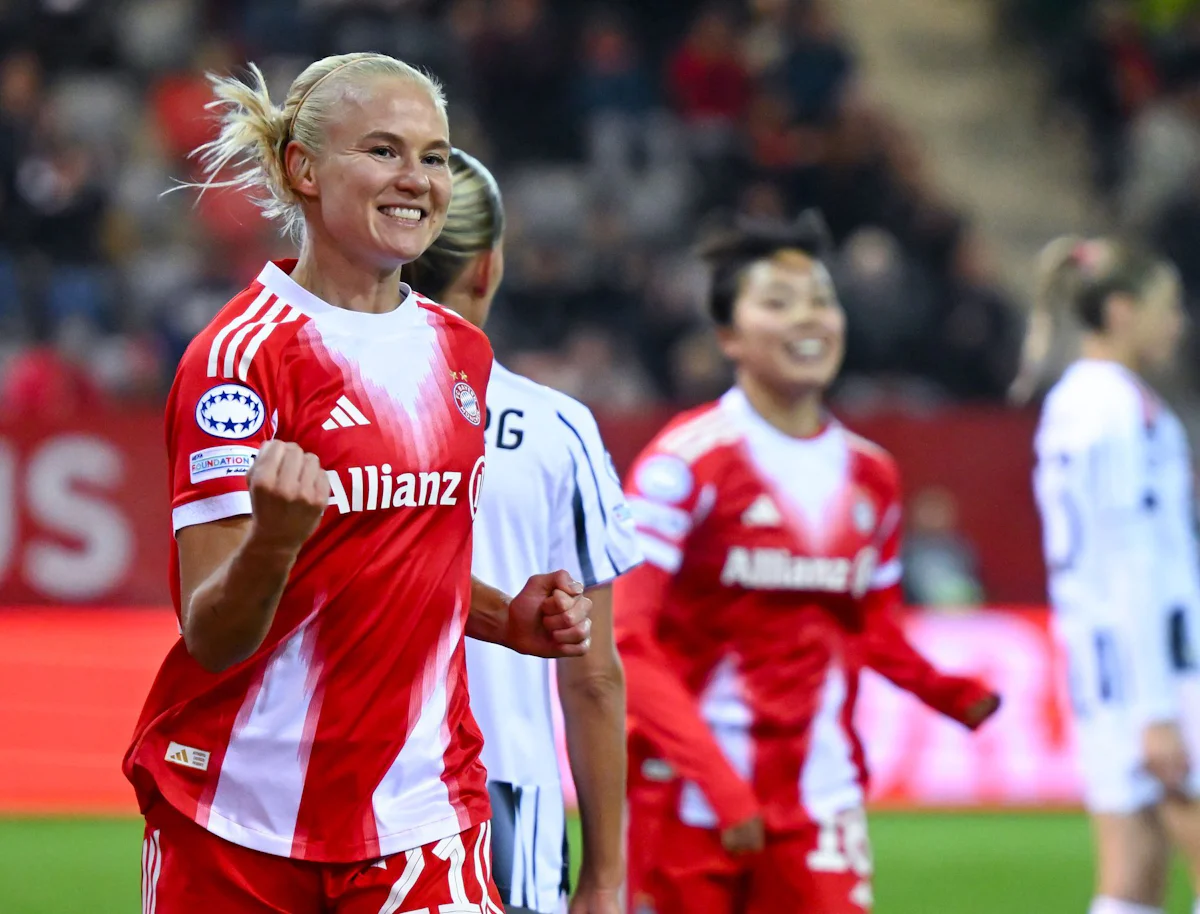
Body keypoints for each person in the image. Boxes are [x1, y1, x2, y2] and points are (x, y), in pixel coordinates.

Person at [123, 53, 594, 914]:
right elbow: (212, 636)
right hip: (237, 821)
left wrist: (506, 620)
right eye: (383, 150)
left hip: (421, 812)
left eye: (433, 156)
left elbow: (396, 557)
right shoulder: (238, 360)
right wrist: (273, 541)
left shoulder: (460, 351)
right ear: (304, 169)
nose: (416, 178)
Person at [614, 212, 1000, 914]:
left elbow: (869, 626)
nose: (808, 318)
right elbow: (627, 640)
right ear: (728, 336)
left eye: (822, 299)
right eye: (778, 301)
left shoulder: (872, 475)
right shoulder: (686, 463)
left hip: (820, 798)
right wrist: (720, 783)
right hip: (690, 798)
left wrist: (947, 691)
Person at [403, 149, 641, 914]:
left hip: (362, 782)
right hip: (508, 799)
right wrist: (604, 878)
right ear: (487, 267)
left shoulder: (330, 406)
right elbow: (592, 676)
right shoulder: (555, 428)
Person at [1021, 236, 1200, 914]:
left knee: (1133, 877)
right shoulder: (1116, 409)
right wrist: (1156, 710)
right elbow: (1129, 556)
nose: (1179, 323)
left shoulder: (1077, 401)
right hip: (1154, 663)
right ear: (1122, 311)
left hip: (1104, 662)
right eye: (1168, 307)